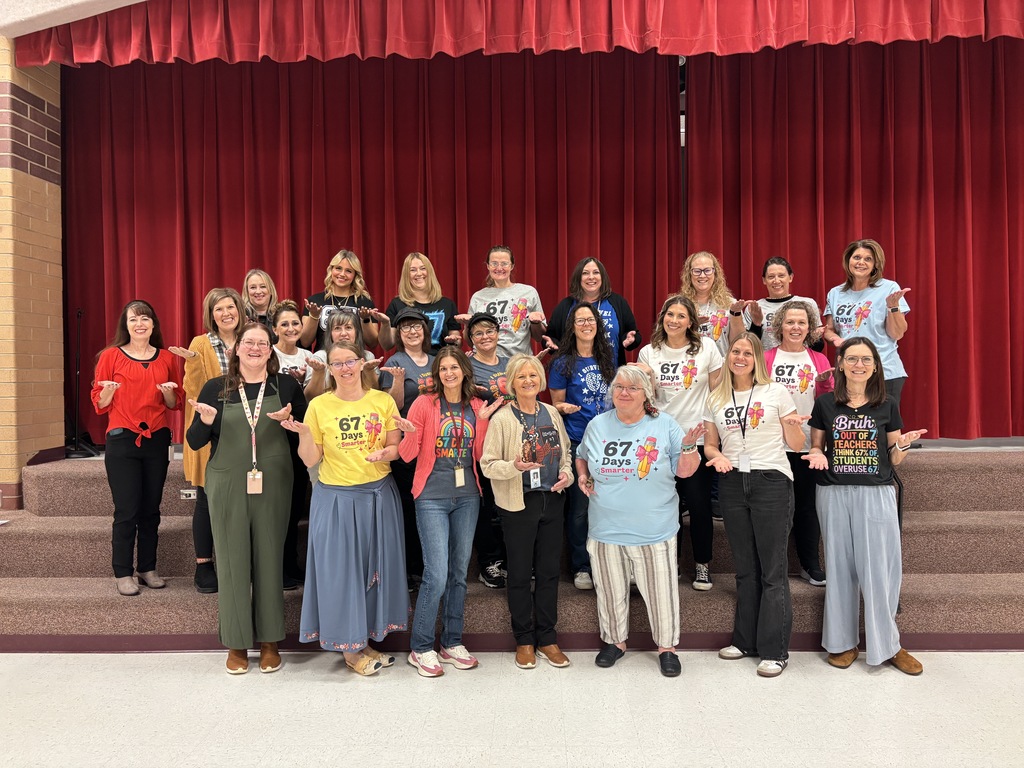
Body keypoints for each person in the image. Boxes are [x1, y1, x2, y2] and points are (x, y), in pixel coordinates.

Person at [281, 341, 408, 677]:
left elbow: (395, 447)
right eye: (337, 364)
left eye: (350, 361)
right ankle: (350, 651)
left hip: (379, 495)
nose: (345, 368)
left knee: (371, 574)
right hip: (336, 498)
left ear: (362, 363)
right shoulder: (319, 406)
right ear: (330, 369)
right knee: (342, 575)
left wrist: (386, 454)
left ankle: (361, 640)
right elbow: (311, 459)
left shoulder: (381, 400)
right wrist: (305, 435)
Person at [186, 322, 307, 674]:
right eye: (248, 342)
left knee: (270, 558)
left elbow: (305, 435)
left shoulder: (286, 386)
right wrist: (205, 421)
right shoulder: (215, 388)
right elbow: (194, 442)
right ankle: (237, 643)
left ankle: (270, 641)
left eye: (262, 343)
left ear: (271, 351)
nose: (255, 348)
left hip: (275, 482)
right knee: (232, 560)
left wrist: (291, 422)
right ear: (235, 349)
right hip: (226, 483)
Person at [806, 336, 928, 676]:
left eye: (866, 359)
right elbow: (817, 447)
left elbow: (895, 458)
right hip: (833, 493)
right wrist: (816, 454)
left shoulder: (887, 406)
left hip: (876, 492)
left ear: (875, 366)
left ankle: (888, 644)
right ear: (841, 364)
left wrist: (901, 446)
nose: (859, 365)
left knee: (879, 570)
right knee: (840, 569)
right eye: (852, 359)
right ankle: (842, 642)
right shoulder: (825, 404)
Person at [576, 366, 706, 676]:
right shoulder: (597, 425)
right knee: (609, 591)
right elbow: (582, 454)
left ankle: (666, 648)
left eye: (632, 388)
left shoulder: (664, 425)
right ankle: (614, 642)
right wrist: (582, 475)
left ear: (646, 393)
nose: (624, 392)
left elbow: (685, 471)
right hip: (605, 527)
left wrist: (688, 447)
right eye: (619, 386)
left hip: (653, 529)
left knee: (661, 594)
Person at [703, 332, 807, 678]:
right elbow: (711, 445)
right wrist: (716, 457)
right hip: (732, 482)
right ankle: (744, 641)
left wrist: (793, 427)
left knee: (772, 571)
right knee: (745, 569)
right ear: (728, 356)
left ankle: (775, 650)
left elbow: (796, 443)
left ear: (757, 358)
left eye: (748, 352)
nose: (741, 357)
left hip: (771, 481)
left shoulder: (775, 391)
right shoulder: (716, 397)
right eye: (736, 351)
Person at [396, 348, 502, 677]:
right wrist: (410, 435)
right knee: (437, 574)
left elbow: (483, 456)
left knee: (458, 574)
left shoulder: (475, 406)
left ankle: (452, 640)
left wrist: (483, 423)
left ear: (464, 371)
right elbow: (406, 456)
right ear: (437, 374)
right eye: (443, 368)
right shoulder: (424, 404)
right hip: (431, 497)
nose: (449, 373)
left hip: (468, 496)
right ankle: (421, 646)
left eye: (454, 367)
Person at [481, 354, 574, 670]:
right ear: (511, 382)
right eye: (521, 376)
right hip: (519, 504)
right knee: (520, 574)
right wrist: (514, 466)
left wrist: (567, 474)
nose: (528, 381)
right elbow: (488, 464)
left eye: (533, 375)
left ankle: (547, 638)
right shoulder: (503, 419)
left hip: (552, 499)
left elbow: (565, 453)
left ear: (540, 380)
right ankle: (524, 640)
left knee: (548, 573)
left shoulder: (551, 413)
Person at [92, 300, 182, 597]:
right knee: (127, 509)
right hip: (122, 439)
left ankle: (147, 567)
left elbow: (174, 403)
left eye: (145, 318)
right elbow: (100, 405)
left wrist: (169, 394)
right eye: (133, 319)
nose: (139, 323)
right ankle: (122, 572)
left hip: (156, 438)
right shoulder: (110, 356)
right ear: (126, 325)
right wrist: (107, 392)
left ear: (153, 324)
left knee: (151, 509)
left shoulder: (167, 358)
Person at [635, 295, 723, 591]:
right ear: (662, 318)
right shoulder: (649, 352)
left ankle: (702, 565)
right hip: (660, 440)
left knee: (698, 505)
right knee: (665, 505)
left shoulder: (707, 348)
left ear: (691, 322)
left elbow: (717, 393)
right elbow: (642, 397)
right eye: (669, 314)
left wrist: (715, 434)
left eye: (681, 316)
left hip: (695, 439)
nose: (674, 320)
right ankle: (669, 563)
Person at [168, 287, 243, 594]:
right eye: (218, 309)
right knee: (206, 500)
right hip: (211, 429)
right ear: (211, 315)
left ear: (239, 308)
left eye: (230, 307)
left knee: (241, 502)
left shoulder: (250, 336)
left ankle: (236, 562)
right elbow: (193, 390)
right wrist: (194, 364)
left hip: (243, 430)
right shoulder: (200, 343)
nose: (226, 313)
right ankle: (204, 566)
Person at [764, 300, 834, 586]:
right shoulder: (766, 357)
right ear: (779, 326)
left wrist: (828, 384)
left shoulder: (819, 360)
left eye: (801, 323)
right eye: (790, 322)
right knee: (776, 509)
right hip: (772, 447)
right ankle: (772, 568)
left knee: (807, 507)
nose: (795, 327)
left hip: (809, 446)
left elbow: (826, 402)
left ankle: (810, 564)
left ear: (809, 329)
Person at [548, 302, 616, 590]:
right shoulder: (563, 362)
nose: (586, 324)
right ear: (572, 326)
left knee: (610, 504)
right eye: (580, 320)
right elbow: (555, 406)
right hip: (578, 441)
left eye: (591, 320)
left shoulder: (608, 357)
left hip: (609, 442)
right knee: (580, 508)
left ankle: (609, 562)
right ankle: (581, 566)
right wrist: (563, 407)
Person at [822, 239, 911, 408]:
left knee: (883, 429)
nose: (861, 262)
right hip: (849, 371)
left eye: (868, 259)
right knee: (853, 429)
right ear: (848, 261)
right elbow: (829, 330)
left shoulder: (889, 288)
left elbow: (897, 333)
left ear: (875, 264)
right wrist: (835, 339)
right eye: (856, 257)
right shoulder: (835, 293)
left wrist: (893, 307)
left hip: (883, 371)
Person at [383, 307, 436, 587]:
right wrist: (398, 380)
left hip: (437, 446)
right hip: (408, 449)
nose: (412, 331)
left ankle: (431, 566)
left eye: (416, 326)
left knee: (431, 507)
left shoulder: (438, 360)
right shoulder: (395, 361)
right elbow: (393, 406)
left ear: (425, 330)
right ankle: (410, 569)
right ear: (399, 333)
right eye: (405, 327)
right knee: (408, 507)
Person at [465, 312, 511, 588]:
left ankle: (511, 558)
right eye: (478, 333)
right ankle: (489, 563)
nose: (485, 337)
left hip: (511, 442)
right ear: (471, 339)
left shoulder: (509, 363)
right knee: (486, 506)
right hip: (482, 443)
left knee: (510, 504)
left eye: (489, 331)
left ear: (498, 333)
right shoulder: (466, 365)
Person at [271, 300, 314, 589]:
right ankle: (275, 568)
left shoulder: (309, 357)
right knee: (277, 507)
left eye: (295, 323)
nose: (290, 328)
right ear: (274, 328)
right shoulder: (267, 354)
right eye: (284, 324)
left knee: (295, 505)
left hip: (300, 433)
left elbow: (312, 398)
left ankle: (290, 564)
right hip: (274, 437)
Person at [546, 257, 641, 367]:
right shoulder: (565, 305)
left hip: (612, 374)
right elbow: (551, 338)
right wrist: (550, 345)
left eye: (596, 272)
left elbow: (634, 335)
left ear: (602, 277)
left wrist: (631, 340)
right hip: (574, 376)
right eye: (585, 273)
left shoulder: (618, 303)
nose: (591, 277)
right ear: (578, 278)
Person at [458, 245, 547, 358]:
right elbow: (471, 342)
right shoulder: (478, 297)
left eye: (504, 263)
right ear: (488, 266)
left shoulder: (528, 292)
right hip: (486, 364)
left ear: (512, 266)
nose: (499, 268)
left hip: (519, 361)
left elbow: (539, 337)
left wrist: (536, 323)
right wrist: (467, 326)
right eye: (494, 263)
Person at [300, 249, 380, 351]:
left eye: (348, 271)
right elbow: (305, 341)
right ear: (331, 270)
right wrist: (314, 316)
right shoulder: (315, 301)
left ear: (355, 275)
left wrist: (365, 319)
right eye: (338, 268)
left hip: (354, 360)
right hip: (323, 361)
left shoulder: (364, 303)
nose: (342, 274)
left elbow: (373, 343)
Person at [379, 252, 461, 351]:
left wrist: (454, 340)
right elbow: (387, 345)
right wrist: (385, 324)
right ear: (406, 275)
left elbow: (456, 339)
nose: (419, 273)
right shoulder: (397, 304)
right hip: (407, 362)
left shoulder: (447, 304)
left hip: (439, 362)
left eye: (423, 268)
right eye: (413, 270)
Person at [741, 257, 823, 352]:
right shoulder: (754, 308)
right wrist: (756, 324)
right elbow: (749, 347)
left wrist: (815, 337)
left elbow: (818, 348)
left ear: (790, 277)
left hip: (802, 363)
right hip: (766, 364)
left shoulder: (808, 304)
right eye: (771, 277)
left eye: (781, 276)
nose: (776, 281)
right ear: (764, 280)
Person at [304, 311, 386, 400]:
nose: (343, 333)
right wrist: (318, 373)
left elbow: (376, 393)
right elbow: (309, 397)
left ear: (357, 332)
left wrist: (369, 371)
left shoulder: (368, 357)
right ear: (330, 334)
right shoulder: (320, 357)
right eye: (337, 328)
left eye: (348, 327)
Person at [678, 250, 745, 358]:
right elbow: (665, 338)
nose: (702, 275)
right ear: (689, 274)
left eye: (707, 270)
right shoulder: (678, 304)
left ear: (715, 273)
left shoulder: (729, 304)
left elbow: (739, 342)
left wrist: (735, 315)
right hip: (687, 366)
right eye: (697, 271)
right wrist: (691, 325)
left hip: (721, 368)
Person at [242, 268, 279, 339]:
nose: (258, 291)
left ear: (271, 290)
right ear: (247, 292)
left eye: (263, 287)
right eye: (253, 287)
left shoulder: (280, 314)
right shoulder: (240, 316)